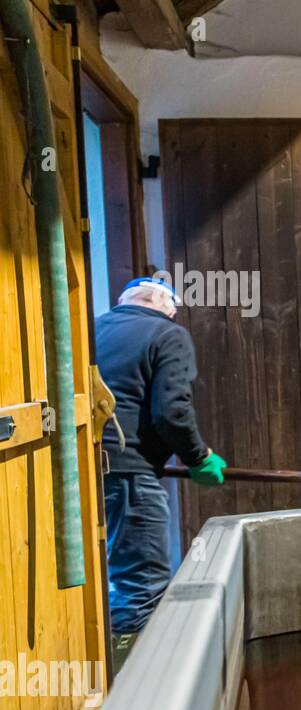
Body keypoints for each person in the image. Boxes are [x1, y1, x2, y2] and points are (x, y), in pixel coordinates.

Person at [96, 277, 226, 670]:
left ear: (125, 302)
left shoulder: (94, 328)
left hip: (83, 474)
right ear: (166, 307)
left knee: (106, 583)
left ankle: (105, 686)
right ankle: (137, 693)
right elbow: (171, 410)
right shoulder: (168, 334)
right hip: (131, 472)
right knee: (142, 586)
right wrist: (199, 456)